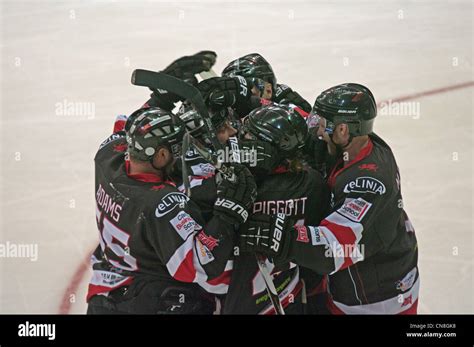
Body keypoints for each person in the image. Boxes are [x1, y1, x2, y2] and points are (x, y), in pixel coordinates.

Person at [239, 83, 420, 314]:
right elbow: (305, 125)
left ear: (343, 129)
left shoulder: (368, 184)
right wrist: (255, 100)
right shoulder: (355, 143)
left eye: (324, 124)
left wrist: (283, 238)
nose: (318, 131)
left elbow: (334, 248)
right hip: (370, 278)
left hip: (375, 300)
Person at [87, 106, 256, 314]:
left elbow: (126, 128)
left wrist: (160, 99)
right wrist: (228, 212)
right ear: (162, 154)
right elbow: (198, 264)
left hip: (104, 294)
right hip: (145, 300)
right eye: (176, 150)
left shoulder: (107, 158)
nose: (181, 156)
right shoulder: (162, 203)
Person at [222, 104, 330, 314]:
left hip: (245, 302)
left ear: (265, 147)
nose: (239, 138)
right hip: (293, 295)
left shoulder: (243, 188)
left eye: (247, 135)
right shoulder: (314, 182)